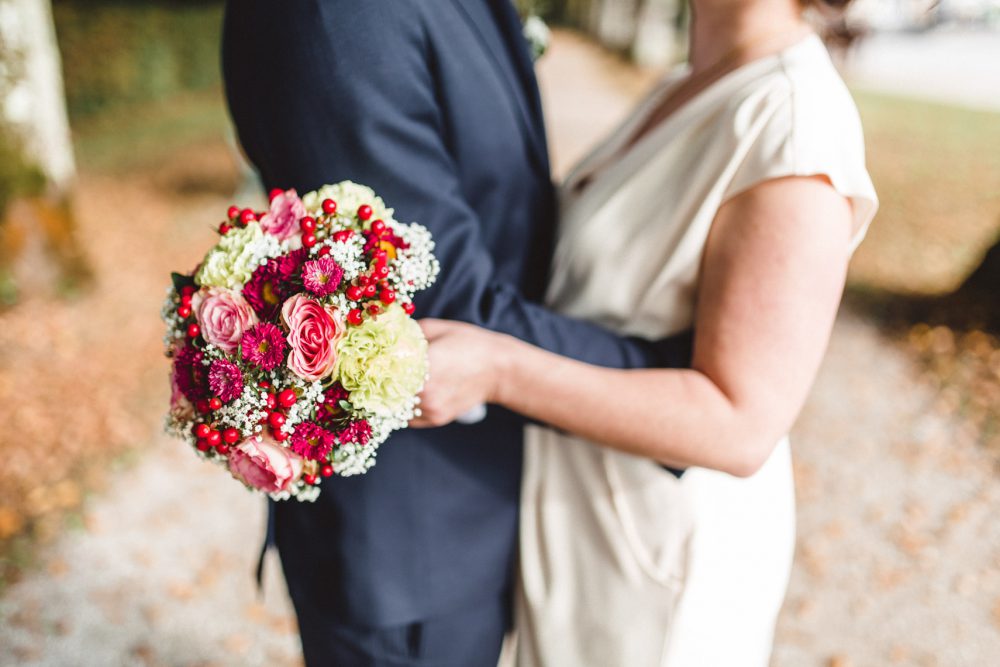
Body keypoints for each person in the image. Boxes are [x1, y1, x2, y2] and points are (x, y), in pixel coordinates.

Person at [221, 1, 689, 665]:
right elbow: (440, 292)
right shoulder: (341, 17)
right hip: (412, 540)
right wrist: (682, 383)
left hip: (477, 501)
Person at [413, 0, 878, 664]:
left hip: (660, 552)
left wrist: (500, 370)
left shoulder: (794, 124)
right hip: (580, 520)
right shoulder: (686, 82)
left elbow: (740, 423)